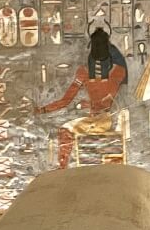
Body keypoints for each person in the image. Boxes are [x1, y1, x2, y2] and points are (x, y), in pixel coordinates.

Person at [35, 26, 128, 169]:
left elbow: (66, 101)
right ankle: (63, 167)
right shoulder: (117, 71)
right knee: (68, 128)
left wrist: (43, 110)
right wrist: (43, 110)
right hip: (101, 119)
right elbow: (67, 101)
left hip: (103, 120)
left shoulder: (86, 72)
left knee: (65, 129)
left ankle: (63, 167)